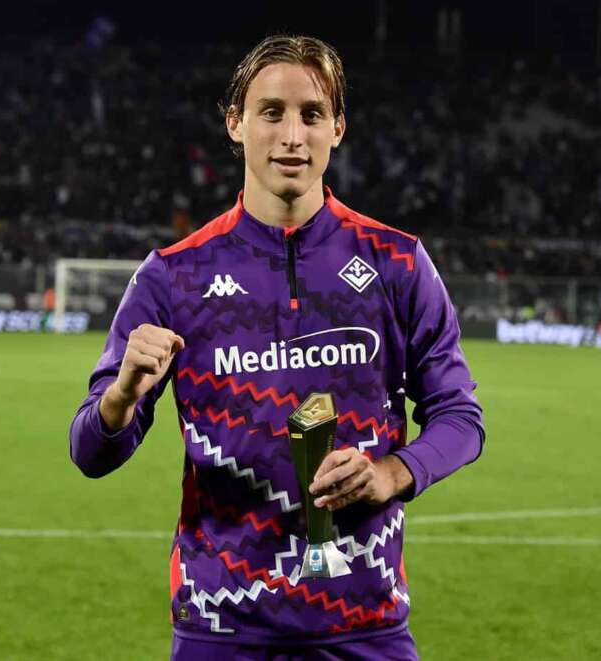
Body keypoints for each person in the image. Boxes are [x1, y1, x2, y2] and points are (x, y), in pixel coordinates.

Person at [69, 34, 485, 660]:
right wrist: (121, 396)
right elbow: (90, 452)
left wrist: (392, 473)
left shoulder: (398, 263)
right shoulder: (173, 276)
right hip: (221, 630)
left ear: (337, 128)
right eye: (271, 112)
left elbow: (460, 417)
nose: (292, 135)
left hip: (364, 625)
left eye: (312, 114)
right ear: (235, 124)